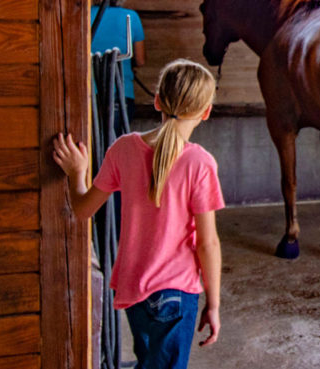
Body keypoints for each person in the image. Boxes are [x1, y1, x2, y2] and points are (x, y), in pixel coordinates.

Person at [53, 58, 224, 367]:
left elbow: (82, 209)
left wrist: (77, 173)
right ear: (205, 112)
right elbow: (207, 243)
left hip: (133, 289)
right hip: (176, 290)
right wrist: (213, 302)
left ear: (156, 100)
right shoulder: (200, 163)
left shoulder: (123, 149)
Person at [91, 0, 147, 124]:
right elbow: (141, 60)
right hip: (120, 94)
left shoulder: (83, 16)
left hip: (89, 93)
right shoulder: (131, 18)